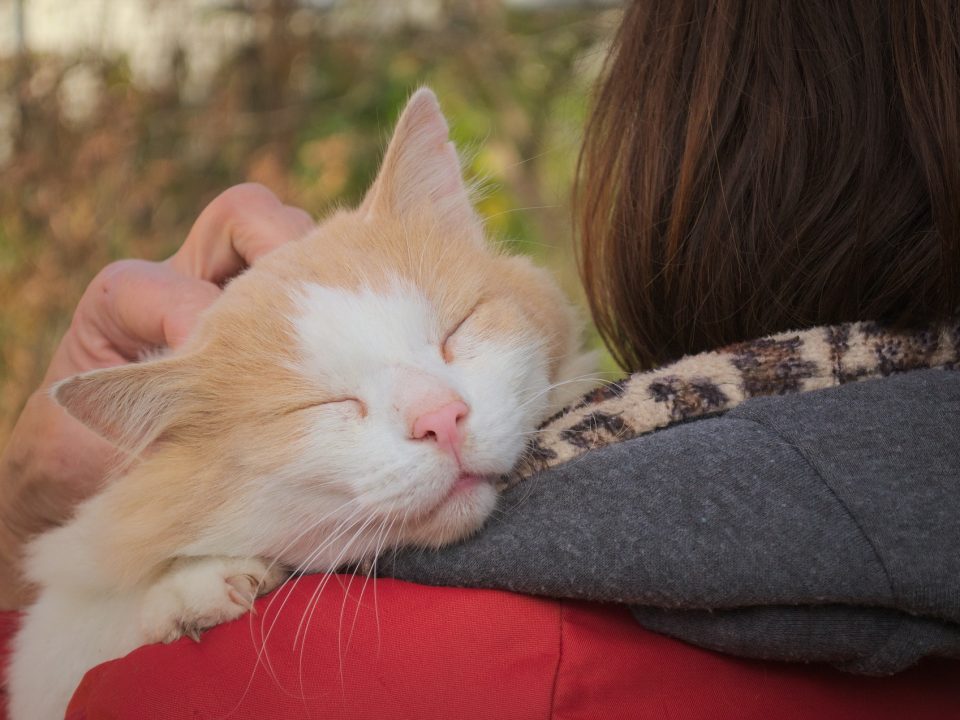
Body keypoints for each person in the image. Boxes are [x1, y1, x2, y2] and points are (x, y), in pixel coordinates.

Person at [2, 1, 959, 718]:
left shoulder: (344, 677)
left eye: (456, 339)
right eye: (327, 406)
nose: (439, 412)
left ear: (673, 191)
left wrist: (22, 510)